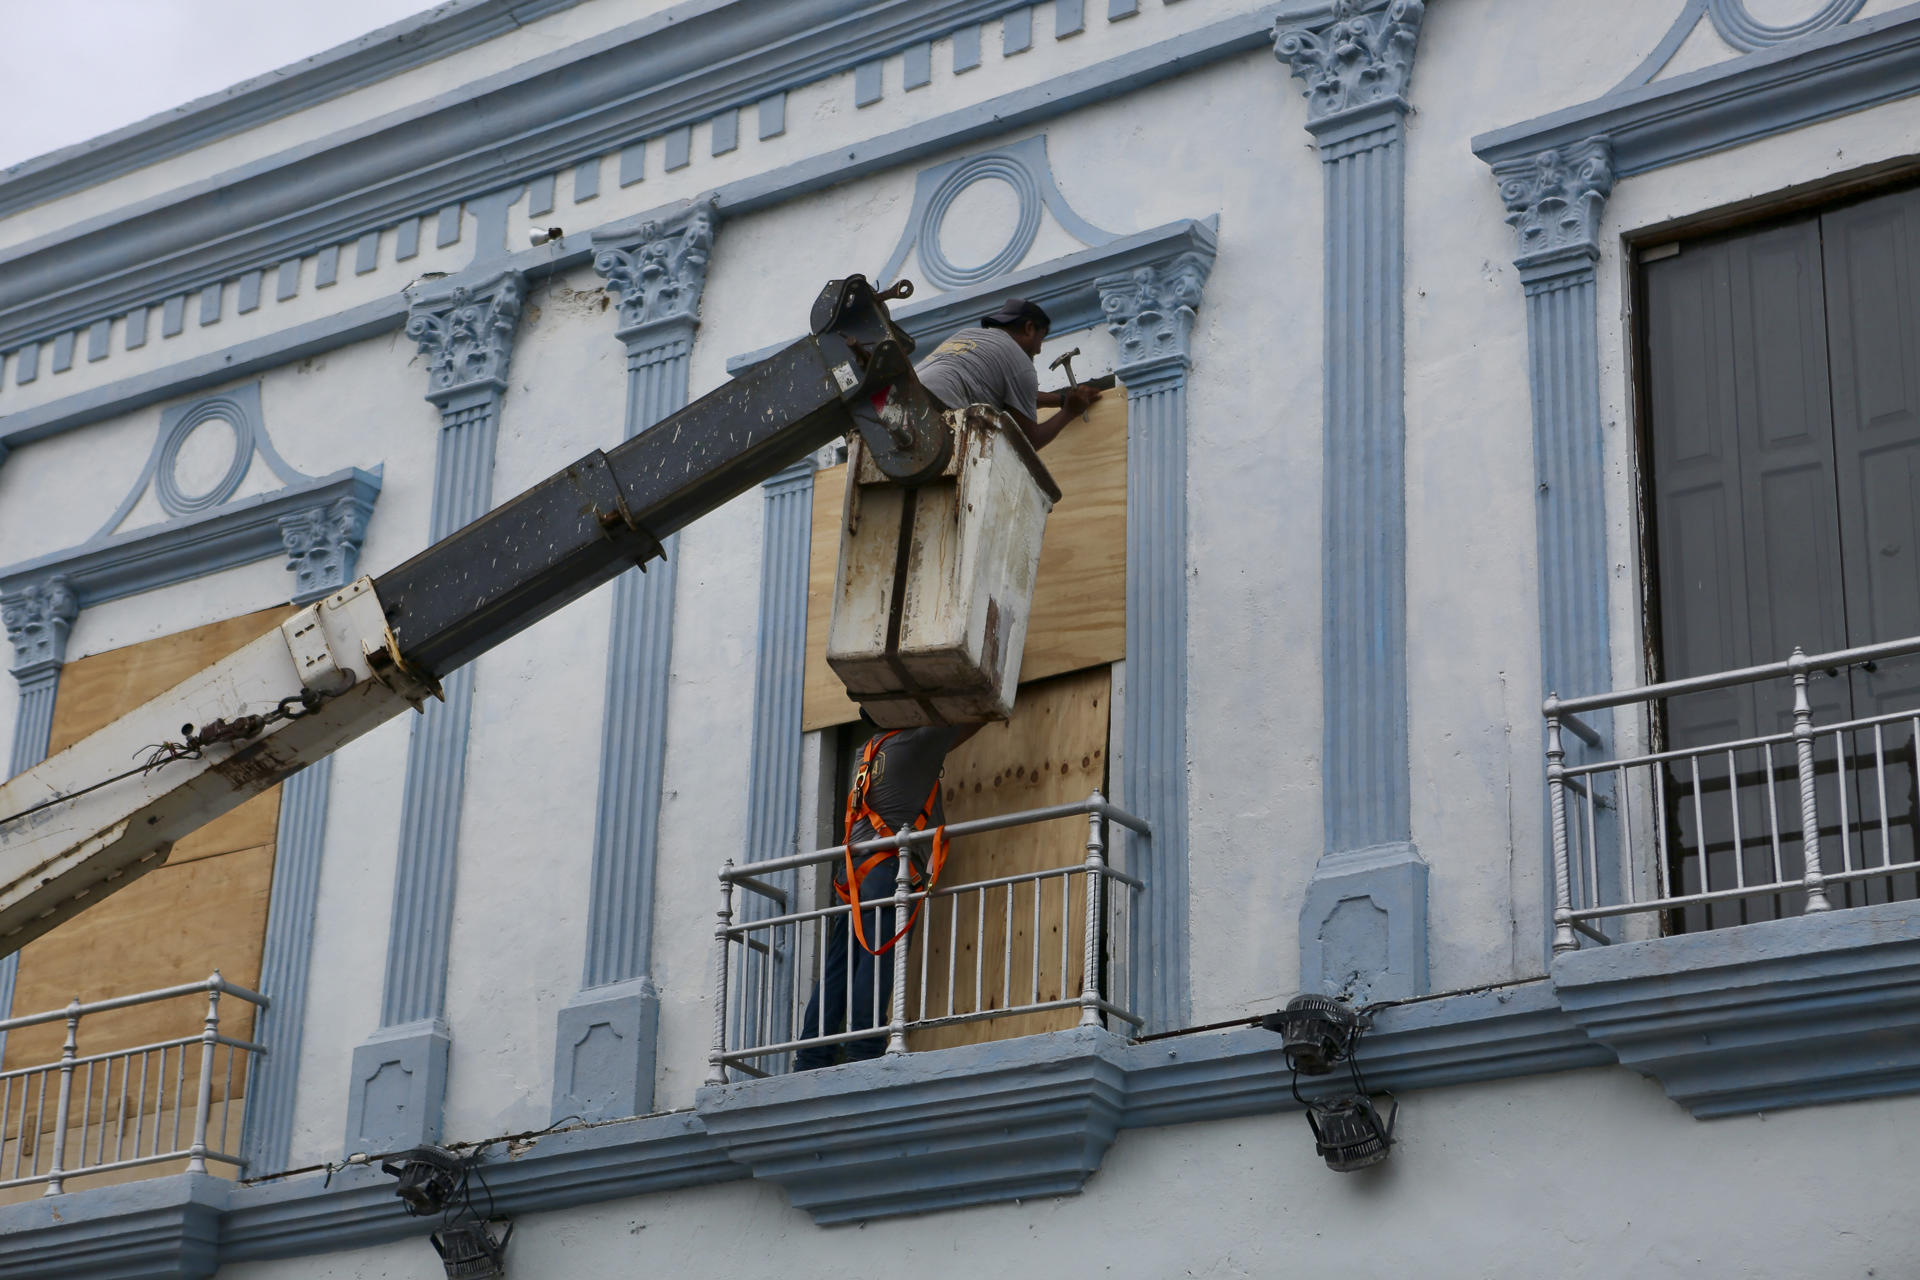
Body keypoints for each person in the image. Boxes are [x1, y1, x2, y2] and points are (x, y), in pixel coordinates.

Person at [794, 721, 980, 1070]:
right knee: (877, 958)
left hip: (855, 873)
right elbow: (972, 715)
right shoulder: (918, 740)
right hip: (887, 871)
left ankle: (812, 1055)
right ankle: (864, 1047)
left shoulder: (867, 750)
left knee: (839, 965)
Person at [912, 297, 1104, 450]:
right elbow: (1029, 443)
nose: (1039, 350)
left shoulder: (967, 335)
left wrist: (1061, 400)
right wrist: (1070, 411)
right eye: (1041, 338)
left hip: (906, 397)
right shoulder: (1020, 361)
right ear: (1029, 328)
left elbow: (1013, 396)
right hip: (941, 411)